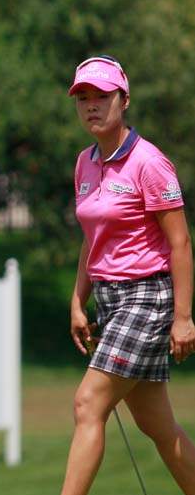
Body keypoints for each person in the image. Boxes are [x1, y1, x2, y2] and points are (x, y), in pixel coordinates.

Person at [61, 55, 195, 495]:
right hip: (110, 300)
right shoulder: (85, 162)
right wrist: (78, 300)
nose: (92, 106)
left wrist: (183, 317)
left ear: (125, 99)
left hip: (147, 299)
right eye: (83, 97)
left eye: (102, 96)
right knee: (156, 423)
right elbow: (91, 237)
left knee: (88, 403)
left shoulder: (150, 163)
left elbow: (180, 244)